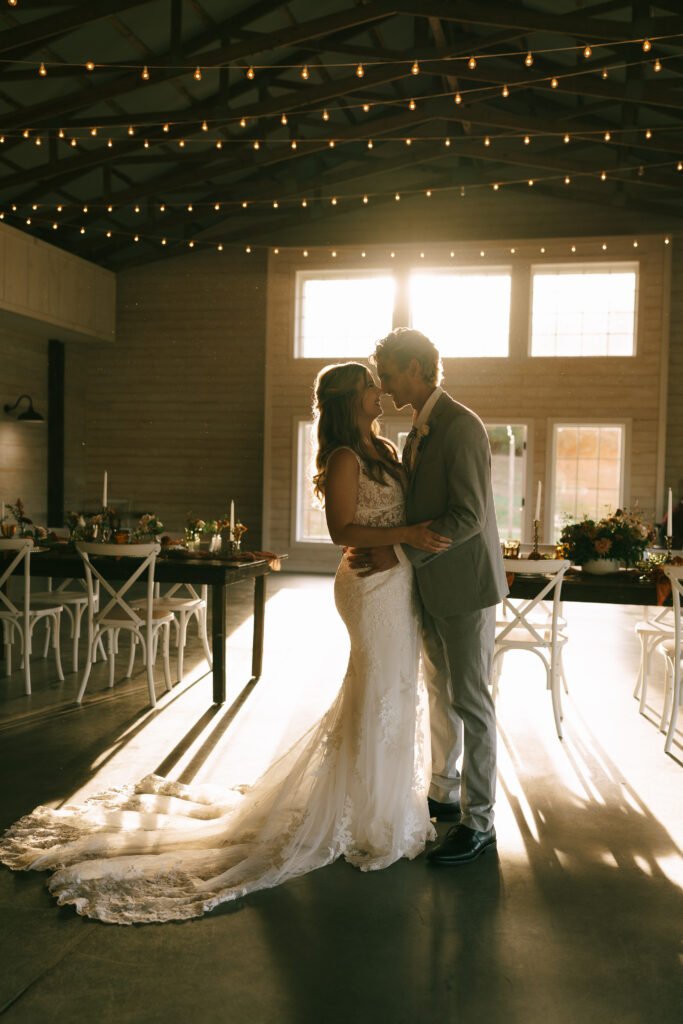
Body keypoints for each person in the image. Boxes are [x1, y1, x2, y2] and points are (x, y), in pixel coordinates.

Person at [0, 361, 449, 924]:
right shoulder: (344, 457)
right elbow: (341, 532)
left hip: (398, 579)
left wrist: (404, 546)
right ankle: (367, 817)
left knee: (394, 689)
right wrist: (404, 535)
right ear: (347, 399)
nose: (380, 392)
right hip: (368, 587)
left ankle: (379, 808)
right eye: (369, 386)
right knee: (382, 687)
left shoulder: (385, 447)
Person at [348, 328, 508, 864]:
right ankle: (445, 791)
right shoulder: (419, 428)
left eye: (389, 373)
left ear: (416, 368)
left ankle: (480, 825)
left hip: (463, 587)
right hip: (433, 588)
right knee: (443, 694)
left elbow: (469, 516)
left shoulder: (461, 427)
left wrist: (402, 554)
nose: (385, 384)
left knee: (472, 703)